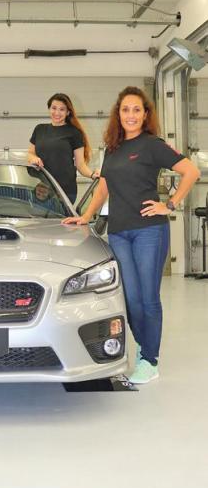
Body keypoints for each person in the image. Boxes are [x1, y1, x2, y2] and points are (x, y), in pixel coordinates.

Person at [62, 86, 200, 384]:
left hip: (149, 231)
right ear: (118, 114)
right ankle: (143, 350)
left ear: (145, 114)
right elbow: (104, 187)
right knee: (131, 299)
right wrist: (85, 216)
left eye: (137, 110)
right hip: (120, 232)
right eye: (126, 109)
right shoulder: (113, 148)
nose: (131, 115)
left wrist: (170, 204)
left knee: (148, 298)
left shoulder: (152, 145)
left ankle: (150, 359)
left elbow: (191, 172)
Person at [27, 92, 99, 203]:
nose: (57, 112)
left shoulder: (74, 133)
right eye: (54, 108)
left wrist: (92, 175)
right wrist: (33, 158)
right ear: (49, 109)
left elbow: (80, 164)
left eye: (62, 109)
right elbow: (30, 153)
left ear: (68, 112)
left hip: (64, 191)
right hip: (41, 189)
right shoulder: (39, 129)